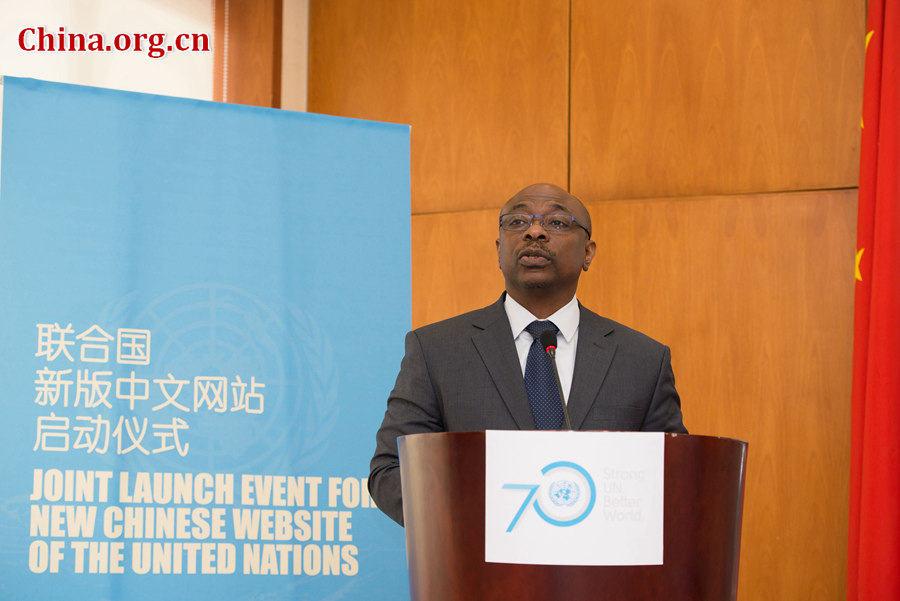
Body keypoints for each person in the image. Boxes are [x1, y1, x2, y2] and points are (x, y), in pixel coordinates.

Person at [369, 183, 687, 525]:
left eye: (558, 223)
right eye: (517, 222)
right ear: (498, 249)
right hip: (481, 570)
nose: (534, 231)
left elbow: (675, 478)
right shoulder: (436, 350)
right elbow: (390, 471)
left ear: (588, 252)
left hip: (600, 574)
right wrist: (481, 521)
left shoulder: (641, 359)